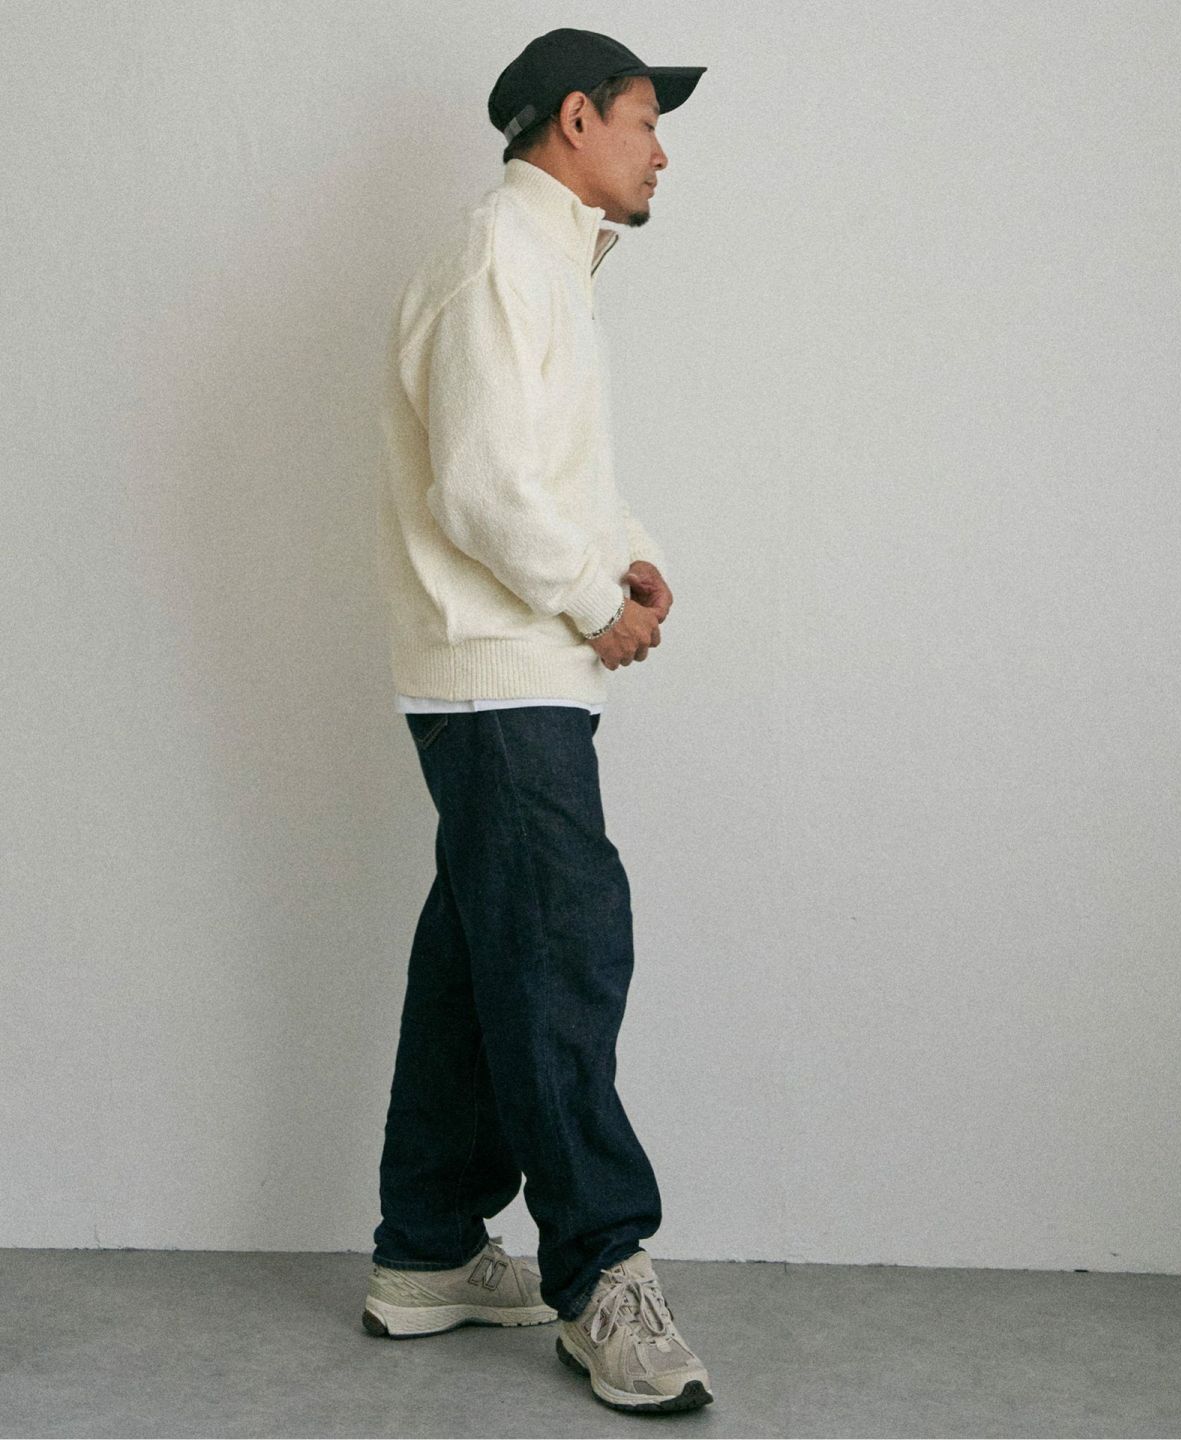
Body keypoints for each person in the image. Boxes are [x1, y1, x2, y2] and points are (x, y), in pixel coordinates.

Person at [364, 28, 712, 1416]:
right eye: (644, 121)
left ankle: (427, 1250)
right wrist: (589, 597)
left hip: (512, 668)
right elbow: (480, 486)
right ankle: (601, 1268)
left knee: (477, 961)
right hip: (499, 670)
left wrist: (628, 556)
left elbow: (545, 467)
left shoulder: (545, 261)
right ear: (574, 119)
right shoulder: (500, 258)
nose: (661, 150)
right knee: (565, 952)